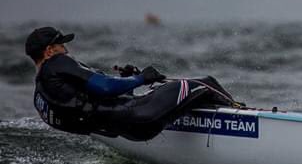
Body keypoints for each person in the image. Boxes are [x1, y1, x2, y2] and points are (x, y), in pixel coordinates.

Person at [27, 26, 237, 141]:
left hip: (126, 132)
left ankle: (211, 118)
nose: (66, 49)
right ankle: (239, 116)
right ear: (49, 50)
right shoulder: (56, 63)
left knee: (175, 95)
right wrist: (140, 78)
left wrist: (125, 80)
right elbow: (105, 87)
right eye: (61, 44)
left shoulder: (40, 96)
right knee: (204, 83)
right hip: (138, 116)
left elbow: (87, 105)